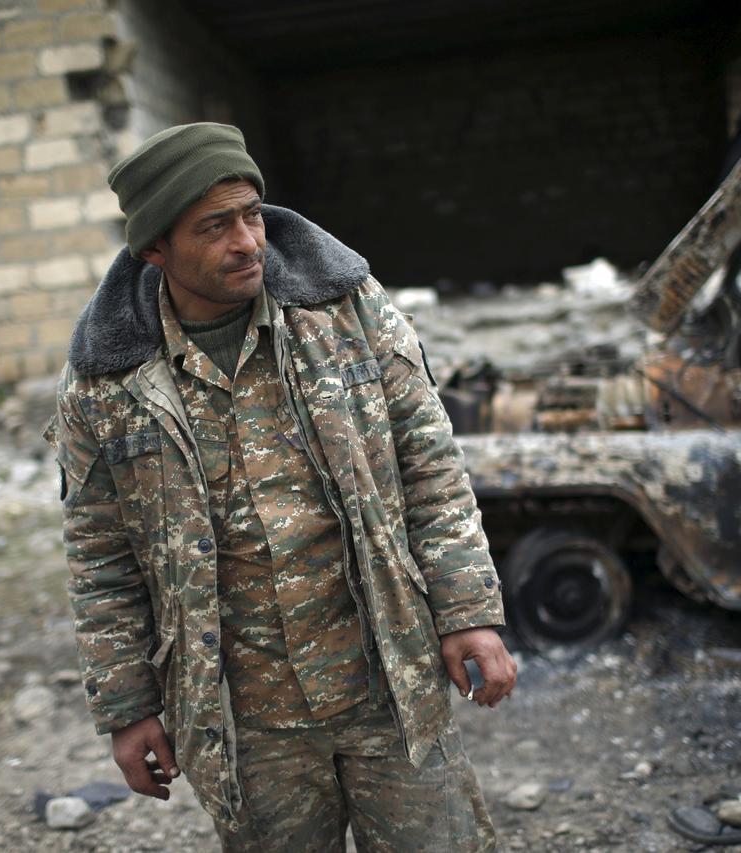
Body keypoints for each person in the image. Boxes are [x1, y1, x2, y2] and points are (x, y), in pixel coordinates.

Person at [48, 122, 517, 851]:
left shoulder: (345, 308)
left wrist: (468, 610)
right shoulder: (107, 381)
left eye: (251, 215)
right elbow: (100, 555)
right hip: (246, 722)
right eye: (215, 227)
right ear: (155, 251)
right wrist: (126, 705)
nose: (247, 242)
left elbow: (430, 462)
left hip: (387, 684)